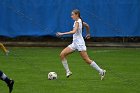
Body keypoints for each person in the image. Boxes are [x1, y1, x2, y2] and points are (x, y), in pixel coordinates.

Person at [56, 9, 106, 80]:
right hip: (75, 43)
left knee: (87, 60)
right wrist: (88, 33)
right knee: (62, 54)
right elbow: (87, 26)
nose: (71, 16)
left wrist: (62, 33)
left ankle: (101, 71)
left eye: (72, 14)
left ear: (77, 15)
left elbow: (74, 31)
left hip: (80, 44)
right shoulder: (80, 21)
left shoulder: (77, 22)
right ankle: (68, 71)